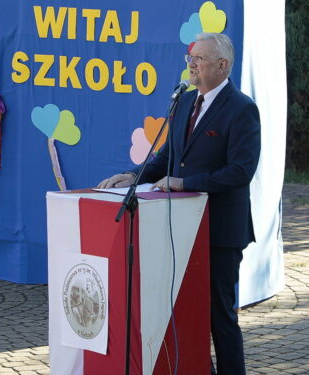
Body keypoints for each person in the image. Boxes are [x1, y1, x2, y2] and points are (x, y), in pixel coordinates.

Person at [97, 32, 260, 375]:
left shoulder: (242, 109)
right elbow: (168, 158)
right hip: (179, 228)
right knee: (185, 310)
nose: (192, 65)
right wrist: (133, 176)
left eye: (199, 59)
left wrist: (186, 184)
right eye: (190, 58)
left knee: (220, 316)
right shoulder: (185, 102)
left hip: (219, 231)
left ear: (222, 65)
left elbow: (240, 172)